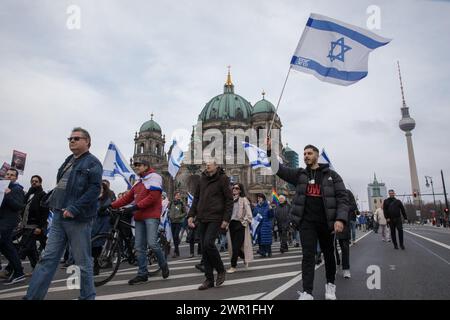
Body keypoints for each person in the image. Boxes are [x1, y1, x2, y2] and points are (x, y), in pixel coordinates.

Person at [25, 127, 102, 300]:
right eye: (70, 139)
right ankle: (32, 298)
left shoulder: (93, 163)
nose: (72, 141)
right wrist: (49, 199)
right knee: (47, 259)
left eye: (76, 138)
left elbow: (94, 190)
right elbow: (63, 185)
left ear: (87, 141)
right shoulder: (69, 160)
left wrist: (74, 208)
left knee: (82, 263)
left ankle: (87, 297)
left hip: (77, 219)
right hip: (59, 216)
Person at [267, 140, 348, 300]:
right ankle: (307, 292)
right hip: (307, 223)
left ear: (317, 156)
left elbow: (342, 198)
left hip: (327, 223)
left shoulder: (332, 175)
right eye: (304, 154)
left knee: (329, 254)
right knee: (308, 256)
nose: (306, 156)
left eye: (309, 153)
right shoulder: (300, 175)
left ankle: (330, 285)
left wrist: (340, 219)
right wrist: (269, 152)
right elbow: (279, 170)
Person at [111, 159, 169, 284]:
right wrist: (111, 205)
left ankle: (163, 264)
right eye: (135, 165)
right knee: (139, 247)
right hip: (139, 217)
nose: (136, 167)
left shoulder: (155, 177)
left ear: (146, 166)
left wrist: (135, 207)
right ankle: (142, 273)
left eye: (139, 165)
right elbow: (127, 198)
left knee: (152, 243)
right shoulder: (138, 182)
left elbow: (153, 197)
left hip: (151, 216)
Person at [187, 160, 233, 290]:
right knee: (204, 248)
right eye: (206, 163)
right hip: (202, 217)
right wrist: (191, 215)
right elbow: (196, 199)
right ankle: (209, 279)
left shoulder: (223, 179)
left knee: (208, 244)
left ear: (216, 165)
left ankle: (220, 269)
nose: (207, 165)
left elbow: (229, 200)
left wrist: (226, 219)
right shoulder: (202, 179)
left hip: (216, 217)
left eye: (210, 163)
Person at [18, 175, 49, 273]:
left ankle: (12, 269)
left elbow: (45, 212)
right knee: (31, 249)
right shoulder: (29, 194)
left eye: (36, 181)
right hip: (25, 225)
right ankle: (37, 268)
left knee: (24, 247)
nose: (34, 183)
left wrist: (40, 227)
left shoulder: (42, 194)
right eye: (32, 181)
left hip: (34, 226)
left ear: (40, 183)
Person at [0, 168, 26, 284]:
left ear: (16, 177)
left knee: (8, 247)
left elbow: (19, 206)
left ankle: (18, 272)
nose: (9, 176)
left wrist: (8, 195)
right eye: (7, 174)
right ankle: (17, 271)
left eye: (12, 175)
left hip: (7, 223)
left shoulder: (17, 189)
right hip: (2, 222)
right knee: (6, 247)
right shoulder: (2, 187)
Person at [226, 183, 253, 273]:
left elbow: (249, 214)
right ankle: (245, 257)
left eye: (237, 188)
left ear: (240, 190)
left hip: (240, 224)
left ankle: (233, 266)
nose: (234, 189)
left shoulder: (244, 200)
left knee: (236, 246)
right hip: (231, 225)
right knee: (234, 247)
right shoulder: (230, 200)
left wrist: (243, 222)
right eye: (233, 188)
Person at [91, 181, 113, 275]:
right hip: (93, 223)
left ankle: (97, 264)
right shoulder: (92, 198)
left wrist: (102, 209)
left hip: (103, 223)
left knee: (98, 244)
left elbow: (107, 209)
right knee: (92, 244)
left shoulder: (107, 198)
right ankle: (95, 262)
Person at [335, 189, 357, 279]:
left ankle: (346, 269)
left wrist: (343, 209)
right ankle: (335, 263)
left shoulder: (347, 192)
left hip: (343, 221)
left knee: (344, 247)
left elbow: (353, 206)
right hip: (330, 222)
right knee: (331, 247)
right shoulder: (328, 191)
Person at [169, 191, 187, 258]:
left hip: (179, 222)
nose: (178, 196)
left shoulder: (181, 203)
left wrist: (179, 216)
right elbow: (168, 210)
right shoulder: (171, 203)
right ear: (174, 196)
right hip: (172, 222)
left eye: (179, 195)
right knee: (174, 237)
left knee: (176, 236)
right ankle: (177, 252)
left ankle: (176, 251)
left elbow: (185, 213)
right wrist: (169, 215)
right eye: (177, 195)